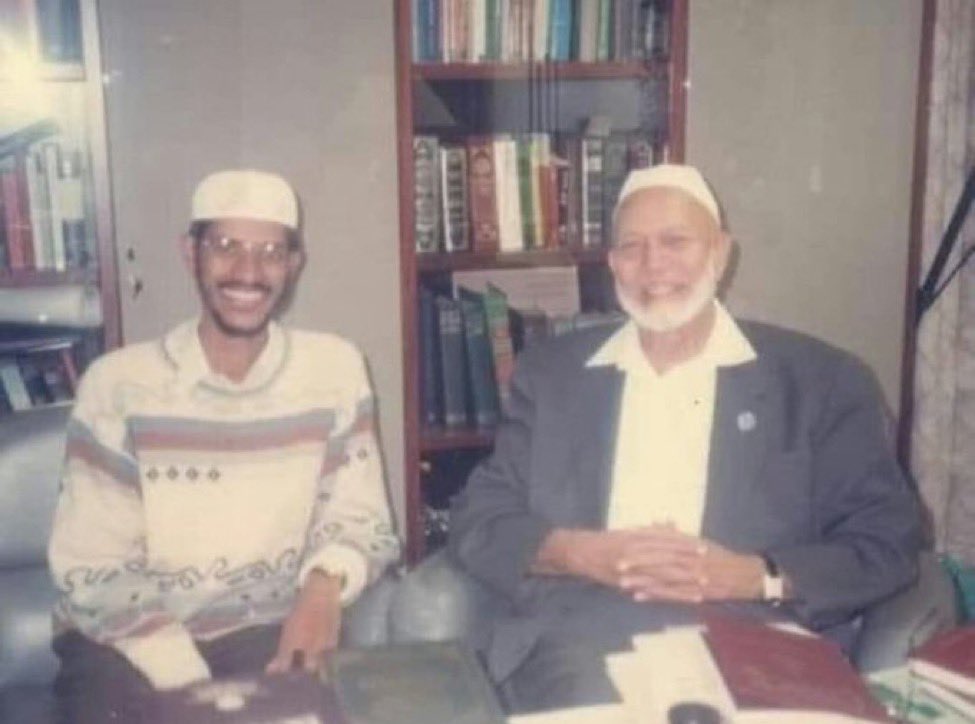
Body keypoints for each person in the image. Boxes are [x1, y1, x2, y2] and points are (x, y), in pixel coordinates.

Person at [448, 164, 922, 713]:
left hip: (760, 639)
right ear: (613, 264)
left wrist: (755, 575)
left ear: (720, 253)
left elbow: (887, 540)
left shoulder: (821, 381)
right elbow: (479, 517)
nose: (654, 265)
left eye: (676, 242)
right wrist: (580, 553)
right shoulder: (554, 375)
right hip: (582, 633)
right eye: (633, 247)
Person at [47, 169, 400, 722]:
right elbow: (94, 568)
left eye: (270, 252)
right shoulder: (118, 386)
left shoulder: (334, 370)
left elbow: (363, 523)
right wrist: (198, 691)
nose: (248, 271)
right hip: (122, 641)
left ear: (295, 265)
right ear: (191, 254)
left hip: (266, 632)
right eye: (226, 246)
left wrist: (321, 590)